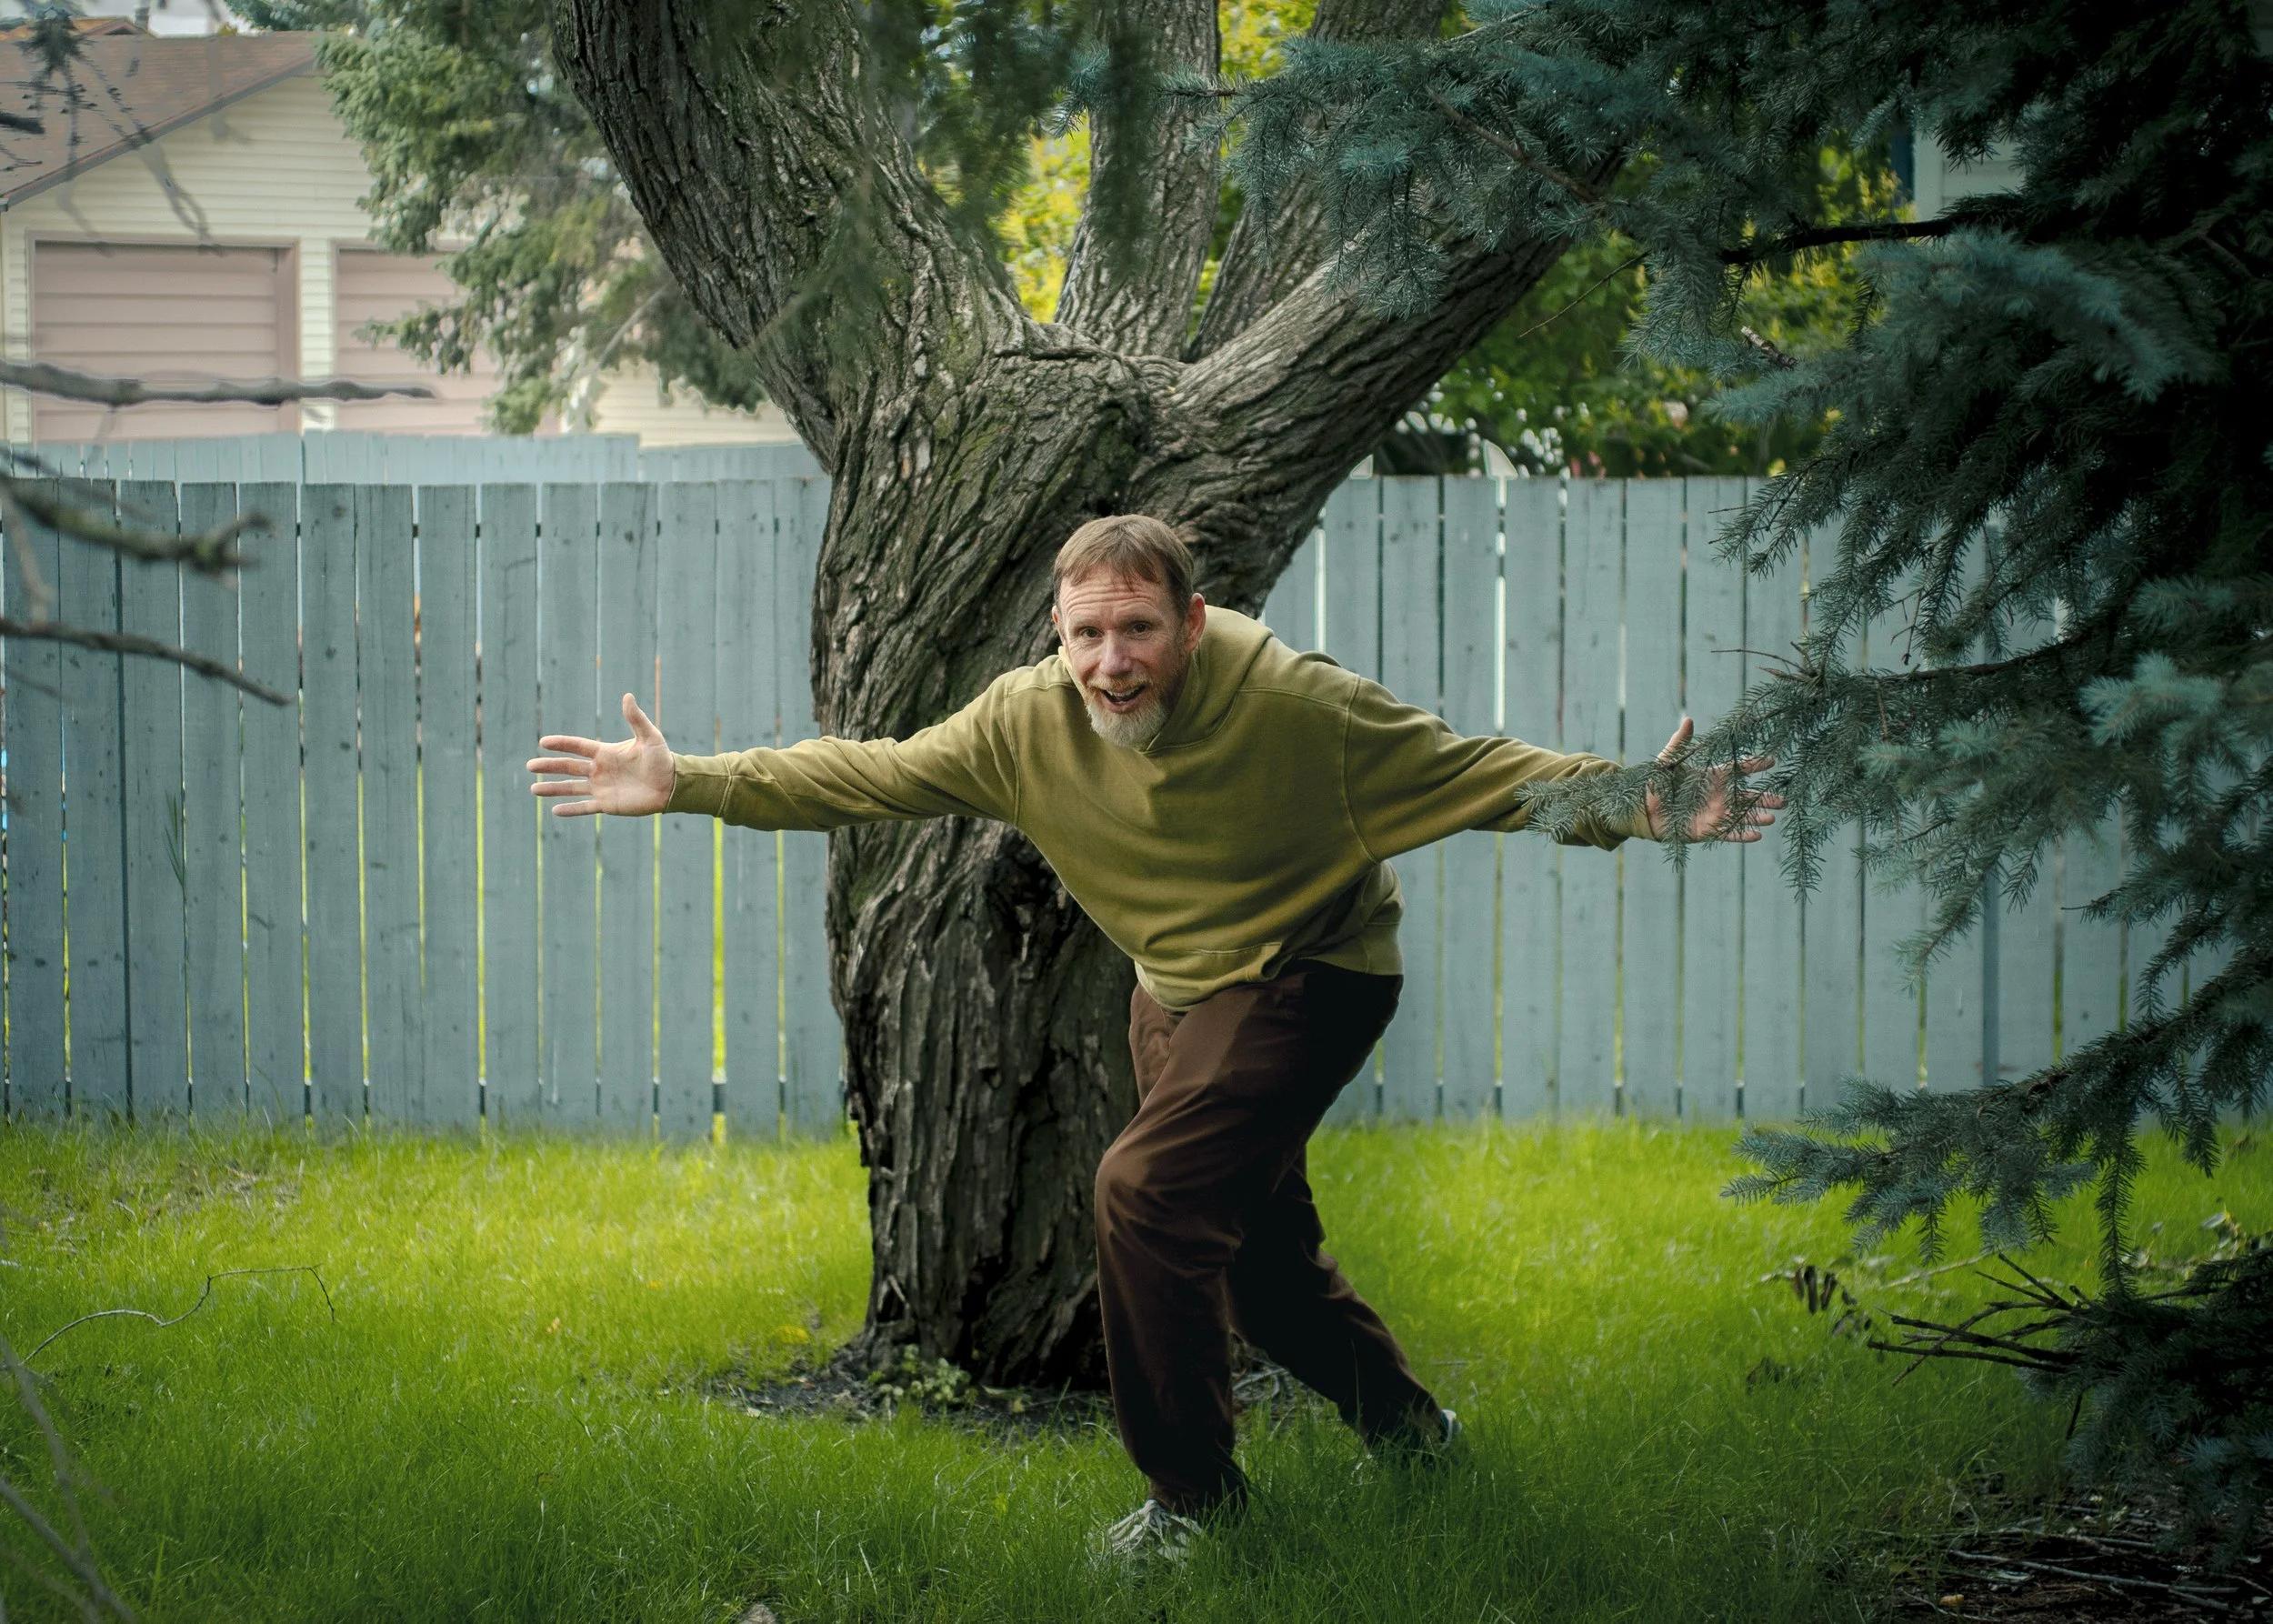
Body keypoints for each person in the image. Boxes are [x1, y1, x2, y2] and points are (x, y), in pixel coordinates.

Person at [526, 513, 1779, 1562]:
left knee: (1144, 1192)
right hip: (1175, 993)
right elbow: (871, 773)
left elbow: (1484, 774)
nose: (1111, 662)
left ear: (1191, 621)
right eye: (1085, 634)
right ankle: (1417, 1438)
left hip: (1314, 971)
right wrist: (689, 779)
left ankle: (1196, 1504)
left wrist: (1638, 802)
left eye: (1137, 629)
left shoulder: (1301, 708)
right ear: (1057, 637)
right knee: (1260, 1267)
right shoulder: (1025, 723)